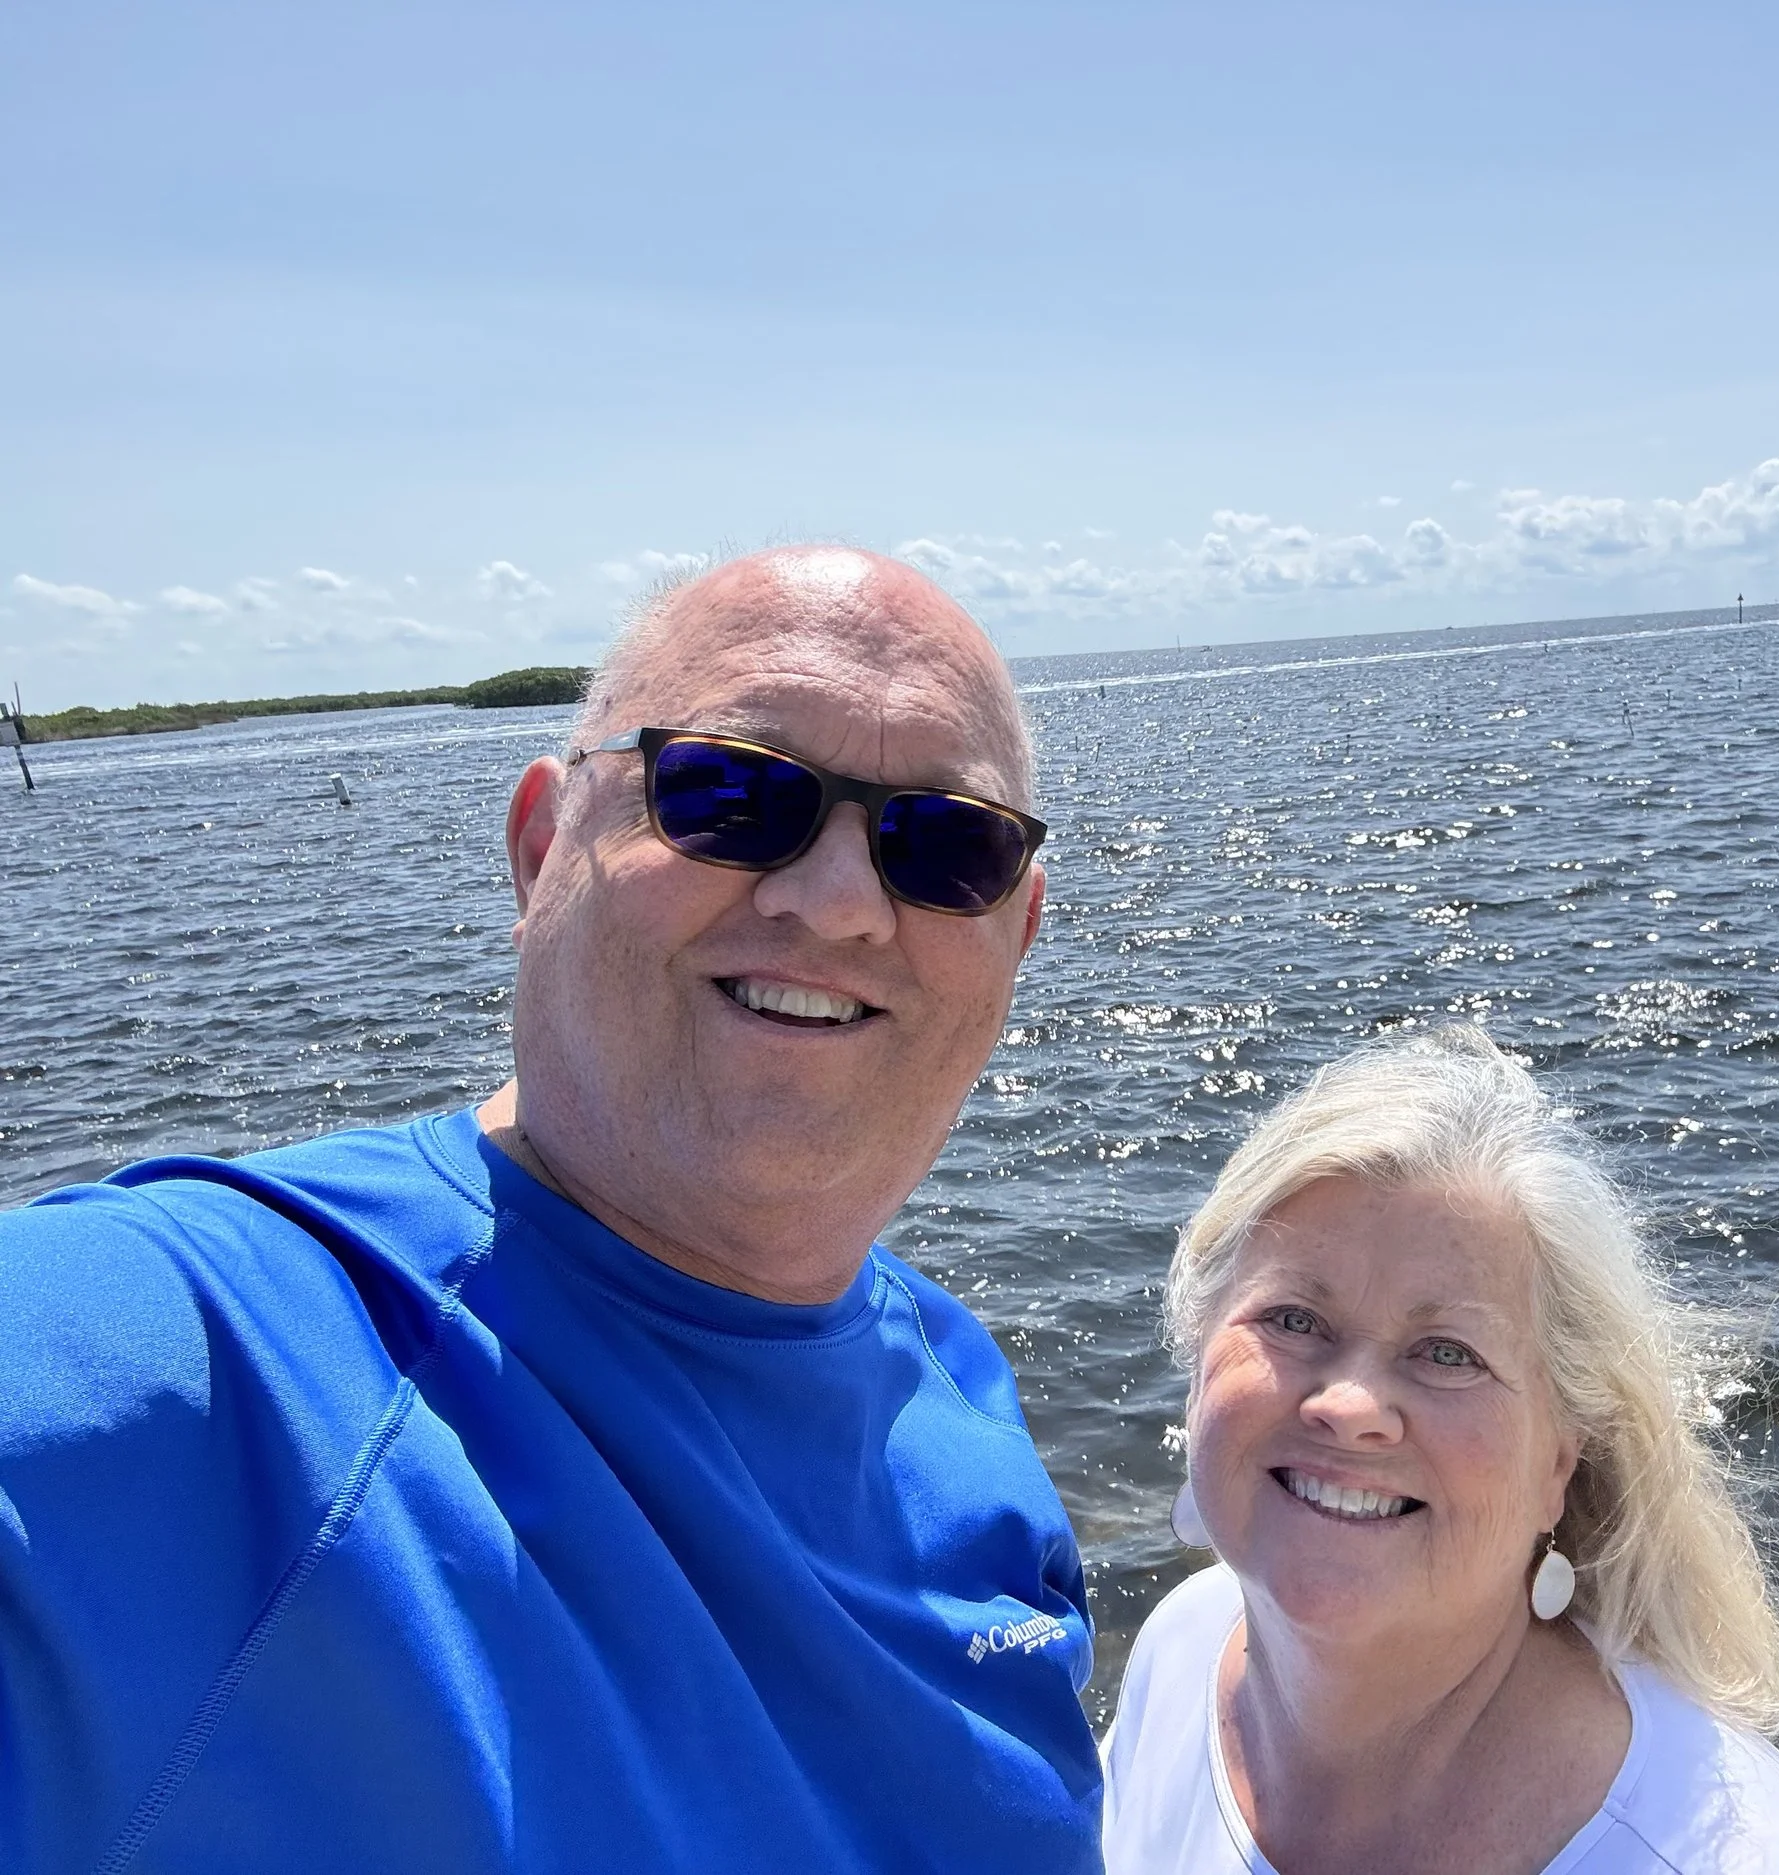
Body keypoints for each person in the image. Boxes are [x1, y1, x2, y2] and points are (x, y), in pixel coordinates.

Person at [0, 548, 1103, 1873]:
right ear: (542, 847)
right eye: (730, 793)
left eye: (946, 842)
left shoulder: (967, 1402)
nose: (840, 901)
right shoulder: (202, 1354)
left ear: (1020, 927)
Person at [1101, 1027, 1779, 1874]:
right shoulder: (1182, 1648)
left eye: (1448, 1352)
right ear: (1196, 1356)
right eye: (1293, 1319)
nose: (1350, 1406)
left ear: (1560, 1462)